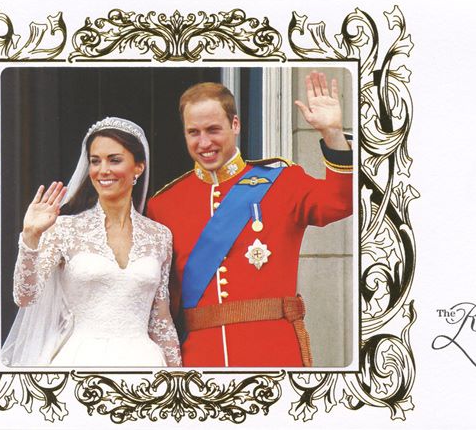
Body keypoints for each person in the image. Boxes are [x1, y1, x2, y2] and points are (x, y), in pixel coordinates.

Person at [147, 71, 352, 367]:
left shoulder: (283, 181)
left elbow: (340, 202)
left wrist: (332, 133)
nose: (204, 142)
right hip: (201, 360)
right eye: (194, 132)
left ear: (235, 125)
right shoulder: (163, 204)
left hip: (273, 352)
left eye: (213, 129)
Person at [2, 117, 181, 367]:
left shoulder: (160, 236)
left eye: (114, 159)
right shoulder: (64, 228)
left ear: (138, 167)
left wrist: (178, 383)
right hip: (80, 360)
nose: (102, 170)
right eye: (95, 161)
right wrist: (30, 236)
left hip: (144, 362)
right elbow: (25, 296)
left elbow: (161, 321)